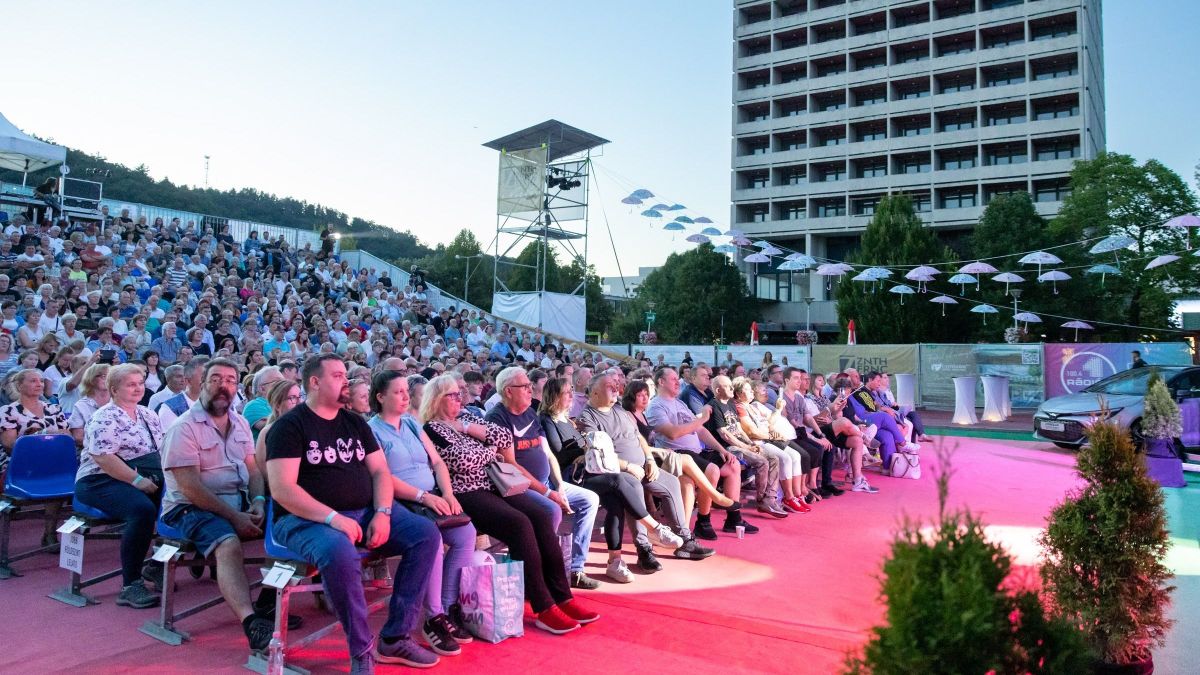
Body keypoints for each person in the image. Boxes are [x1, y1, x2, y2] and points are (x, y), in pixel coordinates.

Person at [265, 353, 442, 670]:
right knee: (340, 552)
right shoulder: (289, 427)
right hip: (303, 520)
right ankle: (361, 650)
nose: (345, 381)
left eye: (345, 375)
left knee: (426, 534)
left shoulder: (354, 422)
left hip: (363, 511)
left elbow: (380, 473)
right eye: (336, 376)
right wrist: (334, 518)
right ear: (315, 382)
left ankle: (395, 637)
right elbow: (283, 490)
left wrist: (383, 512)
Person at [420, 373, 598, 635]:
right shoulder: (433, 429)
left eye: (460, 393)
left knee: (540, 514)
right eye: (453, 395)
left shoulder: (467, 418)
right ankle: (543, 606)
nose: (460, 399)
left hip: (495, 486)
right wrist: (488, 450)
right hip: (467, 492)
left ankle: (563, 597)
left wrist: (470, 430)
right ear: (437, 399)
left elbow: (504, 438)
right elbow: (462, 461)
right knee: (520, 523)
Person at [160, 359, 275, 651]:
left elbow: (253, 472)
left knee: (286, 524)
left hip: (238, 502)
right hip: (188, 507)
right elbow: (190, 488)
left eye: (230, 380)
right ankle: (252, 623)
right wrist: (235, 517)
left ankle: (268, 602)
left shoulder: (238, 423)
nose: (223, 386)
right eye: (215, 379)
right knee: (228, 543)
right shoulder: (183, 427)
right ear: (202, 383)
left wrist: (259, 502)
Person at [368, 370, 475, 655]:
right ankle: (434, 616)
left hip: (431, 496)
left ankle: (447, 604)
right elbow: (382, 477)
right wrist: (423, 497)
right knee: (434, 540)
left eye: (407, 391)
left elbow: (438, 463)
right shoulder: (372, 431)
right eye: (398, 392)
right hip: (404, 502)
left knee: (467, 533)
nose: (406, 396)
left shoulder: (413, 424)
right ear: (380, 397)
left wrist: (448, 493)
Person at [539, 376, 684, 583]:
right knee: (618, 481)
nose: (572, 395)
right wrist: (584, 451)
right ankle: (654, 529)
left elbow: (584, 448)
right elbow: (559, 454)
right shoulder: (547, 419)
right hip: (571, 477)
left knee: (615, 502)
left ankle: (614, 562)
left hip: (590, 471)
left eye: (572, 390)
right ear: (554, 396)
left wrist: (586, 450)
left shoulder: (567, 419)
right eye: (567, 392)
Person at [578, 373, 718, 568]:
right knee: (633, 488)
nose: (616, 388)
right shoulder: (587, 418)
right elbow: (596, 454)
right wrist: (628, 466)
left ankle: (684, 540)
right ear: (594, 392)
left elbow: (639, 438)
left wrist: (650, 459)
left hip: (644, 464)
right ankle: (644, 550)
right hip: (616, 471)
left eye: (616, 385)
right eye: (610, 386)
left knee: (671, 482)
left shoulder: (618, 409)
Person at [484, 366, 601, 590]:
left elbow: (547, 453)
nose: (531, 390)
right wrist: (548, 492)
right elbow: (511, 465)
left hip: (545, 484)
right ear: (508, 391)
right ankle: (540, 573)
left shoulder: (529, 412)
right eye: (525, 386)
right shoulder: (497, 417)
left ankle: (575, 569)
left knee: (589, 500)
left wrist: (559, 486)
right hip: (518, 487)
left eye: (530, 385)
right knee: (551, 509)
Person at [74, 363, 166, 609]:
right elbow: (104, 458)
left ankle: (156, 565)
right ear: (114, 389)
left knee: (182, 501)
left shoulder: (148, 414)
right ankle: (130, 584)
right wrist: (137, 481)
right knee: (142, 510)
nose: (138, 389)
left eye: (140, 383)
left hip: (145, 475)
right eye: (131, 384)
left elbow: (161, 449)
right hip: (99, 480)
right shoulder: (104, 416)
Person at [646, 366, 756, 538]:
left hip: (697, 452)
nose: (678, 382)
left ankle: (733, 519)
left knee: (733, 464)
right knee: (711, 470)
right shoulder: (655, 406)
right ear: (661, 381)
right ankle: (703, 521)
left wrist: (722, 450)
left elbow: (701, 431)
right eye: (674, 379)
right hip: (677, 453)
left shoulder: (679, 403)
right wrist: (703, 418)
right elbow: (673, 433)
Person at [0, 368, 72, 547]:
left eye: (41, 380)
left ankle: (49, 533)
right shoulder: (8, 411)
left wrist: (38, 437)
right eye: (33, 381)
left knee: (58, 474)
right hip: (19, 465)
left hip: (52, 462)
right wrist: (44, 435)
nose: (39, 384)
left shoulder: (53, 408)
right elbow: (11, 445)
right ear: (19, 385)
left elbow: (67, 438)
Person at [156, 356, 209, 430]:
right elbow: (171, 440)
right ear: (187, 381)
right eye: (204, 377)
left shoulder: (223, 404)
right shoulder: (170, 409)